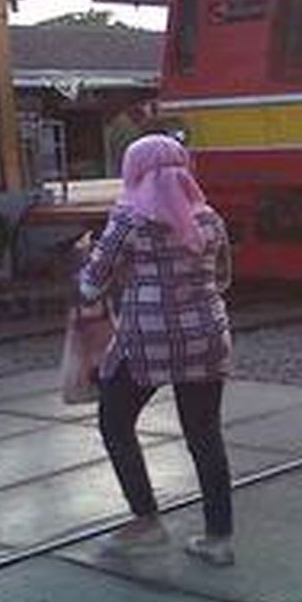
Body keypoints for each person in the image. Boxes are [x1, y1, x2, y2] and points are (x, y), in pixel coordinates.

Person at [78, 133, 235, 566]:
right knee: (205, 435)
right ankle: (219, 539)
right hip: (207, 335)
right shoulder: (209, 219)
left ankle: (146, 520)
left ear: (134, 171)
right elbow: (222, 279)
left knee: (115, 419)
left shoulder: (128, 220)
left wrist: (95, 262)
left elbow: (91, 284)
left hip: (145, 339)